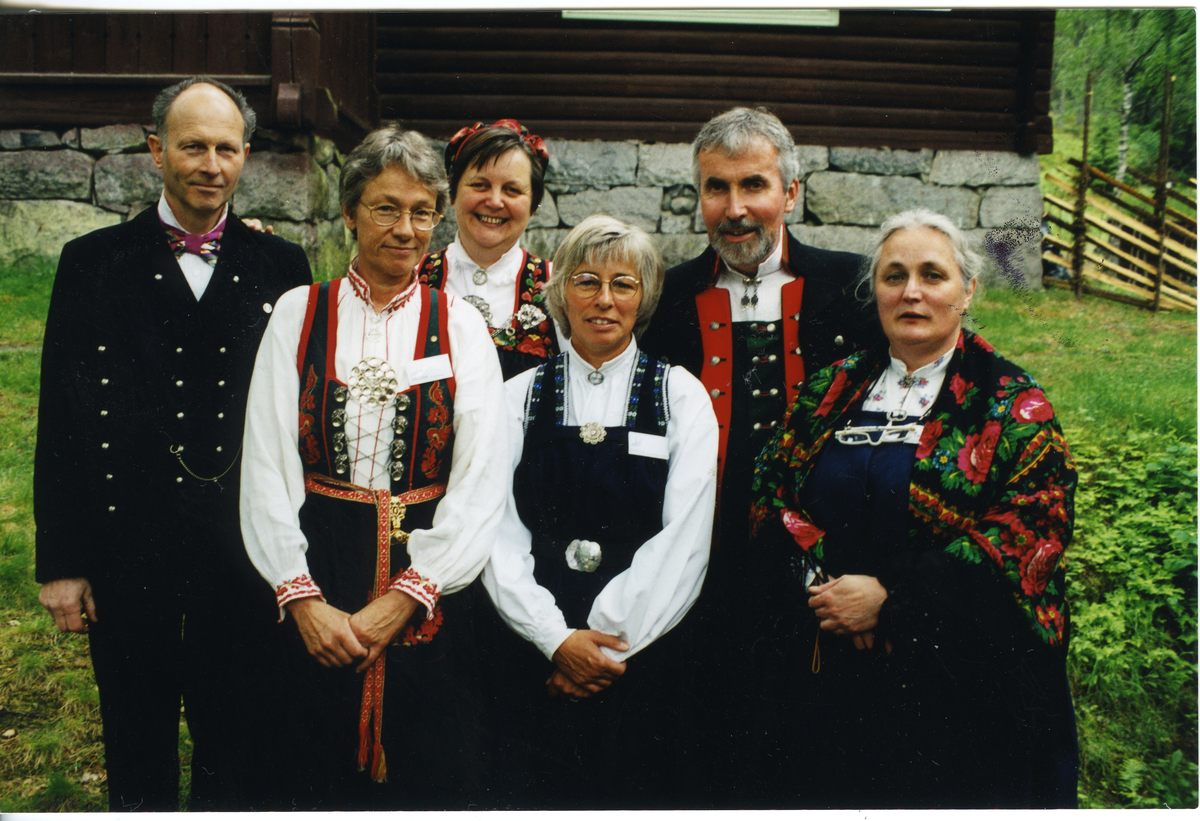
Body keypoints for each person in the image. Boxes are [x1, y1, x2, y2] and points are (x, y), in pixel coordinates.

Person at [33, 76, 313, 811]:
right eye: (193, 145)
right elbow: (60, 421)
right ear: (156, 148)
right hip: (129, 549)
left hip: (240, 550)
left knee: (239, 741)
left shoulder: (283, 268)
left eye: (226, 148)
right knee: (136, 740)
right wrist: (62, 563)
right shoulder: (90, 262)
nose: (210, 164)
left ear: (246, 156)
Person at [749, 208, 1079, 808]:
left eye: (933, 275)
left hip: (959, 687)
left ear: (967, 288)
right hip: (832, 661)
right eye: (893, 275)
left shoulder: (1012, 405)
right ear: (873, 289)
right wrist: (829, 586)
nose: (912, 292)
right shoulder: (831, 390)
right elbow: (773, 491)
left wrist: (890, 600)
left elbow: (1027, 533)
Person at [239, 124, 507, 810]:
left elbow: (481, 476)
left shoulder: (462, 324)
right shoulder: (301, 313)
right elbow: (267, 462)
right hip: (317, 568)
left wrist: (411, 593)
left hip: (430, 581)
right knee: (308, 761)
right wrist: (299, 596)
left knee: (428, 765)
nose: (406, 228)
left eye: (422, 211)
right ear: (351, 210)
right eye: (386, 207)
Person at [637, 105, 884, 805]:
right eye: (717, 188)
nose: (736, 208)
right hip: (698, 565)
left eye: (754, 186)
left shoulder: (855, 289)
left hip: (815, 576)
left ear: (792, 192)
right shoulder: (669, 296)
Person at [481, 215, 718, 809]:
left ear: (646, 297)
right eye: (586, 281)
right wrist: (554, 638)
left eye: (624, 284)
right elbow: (496, 526)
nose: (604, 299)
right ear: (560, 291)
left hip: (641, 649)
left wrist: (604, 646)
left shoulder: (680, 395)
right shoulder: (519, 395)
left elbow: (685, 538)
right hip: (531, 641)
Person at [418, 119, 558, 380]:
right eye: (479, 185)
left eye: (512, 190)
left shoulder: (556, 287)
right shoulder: (413, 278)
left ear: (533, 204)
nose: (494, 201)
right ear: (452, 193)